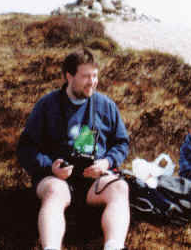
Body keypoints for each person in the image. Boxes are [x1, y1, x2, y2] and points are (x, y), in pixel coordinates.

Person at [17, 48, 130, 250]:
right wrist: (50, 167)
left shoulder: (106, 105)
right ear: (69, 76)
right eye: (85, 76)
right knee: (53, 192)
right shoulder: (46, 105)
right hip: (56, 179)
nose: (92, 82)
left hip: (94, 180)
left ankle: (114, 246)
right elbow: (25, 148)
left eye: (95, 76)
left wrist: (107, 162)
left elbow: (122, 143)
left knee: (120, 188)